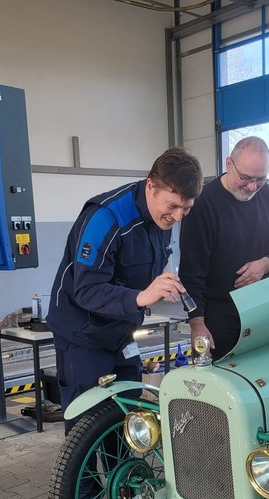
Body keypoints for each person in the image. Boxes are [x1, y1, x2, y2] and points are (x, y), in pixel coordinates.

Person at [46, 147, 204, 428]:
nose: (178, 217)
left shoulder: (161, 218)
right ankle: (86, 474)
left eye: (186, 209)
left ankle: (121, 470)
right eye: (173, 206)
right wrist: (143, 296)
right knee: (88, 424)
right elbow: (87, 290)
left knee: (128, 413)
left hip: (120, 333)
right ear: (151, 186)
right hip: (83, 334)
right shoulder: (106, 218)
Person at [179, 136, 269, 360]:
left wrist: (266, 264)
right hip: (217, 319)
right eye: (246, 178)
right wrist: (197, 323)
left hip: (261, 312)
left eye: (260, 179)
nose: (253, 187)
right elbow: (191, 273)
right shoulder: (203, 204)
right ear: (228, 164)